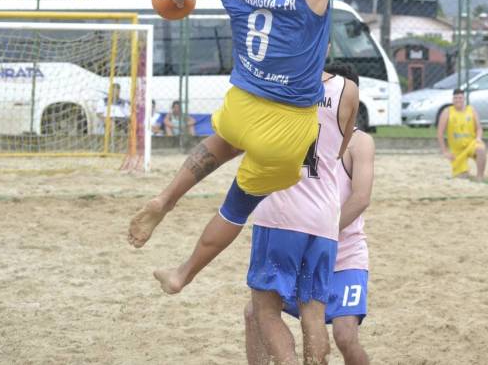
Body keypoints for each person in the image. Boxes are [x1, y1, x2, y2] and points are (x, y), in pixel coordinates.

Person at [127, 0, 386, 252]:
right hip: (285, 125)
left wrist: (178, 1)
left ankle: (165, 199)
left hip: (240, 106)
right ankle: (183, 273)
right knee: (236, 207)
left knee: (219, 146)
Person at [154, 65, 359, 365]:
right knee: (313, 314)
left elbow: (234, 140)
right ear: (323, 44)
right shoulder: (347, 90)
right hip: (325, 216)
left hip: (279, 212)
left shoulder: (268, 83)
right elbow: (339, 151)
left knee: (266, 311)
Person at [244, 126, 374, 365]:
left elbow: (361, 198)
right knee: (254, 314)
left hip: (344, 254)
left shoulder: (359, 141)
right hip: (303, 250)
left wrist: (324, 232)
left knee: (345, 336)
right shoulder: (303, 130)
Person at [436, 88, 486, 180]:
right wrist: (444, 151)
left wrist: (479, 138)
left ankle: (480, 177)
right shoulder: (447, 112)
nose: (458, 100)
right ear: (452, 100)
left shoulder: (471, 110)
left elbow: (479, 128)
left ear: (464, 99)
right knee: (462, 177)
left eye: (460, 98)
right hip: (457, 150)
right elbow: (440, 133)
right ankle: (463, 171)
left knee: (481, 149)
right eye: (455, 98)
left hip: (471, 144)